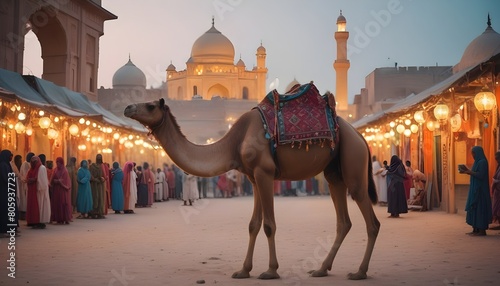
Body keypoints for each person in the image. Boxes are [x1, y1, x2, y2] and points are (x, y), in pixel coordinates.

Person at [460, 146, 492, 236]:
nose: (473, 155)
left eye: (473, 153)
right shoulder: (476, 162)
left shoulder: (482, 162)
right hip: (474, 188)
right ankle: (475, 229)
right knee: (473, 208)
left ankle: (482, 230)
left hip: (480, 190)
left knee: (480, 209)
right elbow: (474, 173)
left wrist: (469, 172)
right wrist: (467, 171)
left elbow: (481, 175)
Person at [26, 156, 50, 229]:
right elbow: (28, 177)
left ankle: (40, 221)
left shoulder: (41, 168)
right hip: (33, 191)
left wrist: (34, 180)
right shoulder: (31, 169)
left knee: (40, 207)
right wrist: (29, 180)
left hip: (40, 191)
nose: (33, 163)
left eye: (35, 162)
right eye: (32, 162)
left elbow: (42, 182)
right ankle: (33, 221)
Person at [1, 150, 19, 236]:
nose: (10, 158)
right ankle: (6, 229)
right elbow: (6, 178)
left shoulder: (6, 164)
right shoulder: (3, 165)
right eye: (9, 156)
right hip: (5, 192)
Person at [50, 157, 72, 224]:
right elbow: (52, 179)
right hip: (56, 189)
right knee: (57, 203)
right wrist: (55, 181)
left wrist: (60, 182)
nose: (57, 164)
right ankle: (58, 218)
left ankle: (64, 218)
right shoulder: (55, 170)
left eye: (58, 162)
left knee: (63, 203)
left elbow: (65, 181)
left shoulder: (64, 171)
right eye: (56, 162)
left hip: (63, 190)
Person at [89, 154, 106, 219]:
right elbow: (104, 177)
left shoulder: (93, 166)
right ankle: (96, 212)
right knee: (96, 197)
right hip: (96, 184)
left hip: (97, 185)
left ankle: (98, 212)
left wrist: (99, 179)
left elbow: (103, 177)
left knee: (98, 197)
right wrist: (99, 179)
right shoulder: (97, 166)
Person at [19, 152, 34, 220]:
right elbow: (25, 175)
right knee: (25, 200)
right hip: (25, 183)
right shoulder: (25, 164)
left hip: (28, 183)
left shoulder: (29, 164)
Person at [491, 151, 500, 227]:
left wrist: (496, 181)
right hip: (497, 191)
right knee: (496, 209)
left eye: (498, 158)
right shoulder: (498, 167)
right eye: (496, 159)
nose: (497, 160)